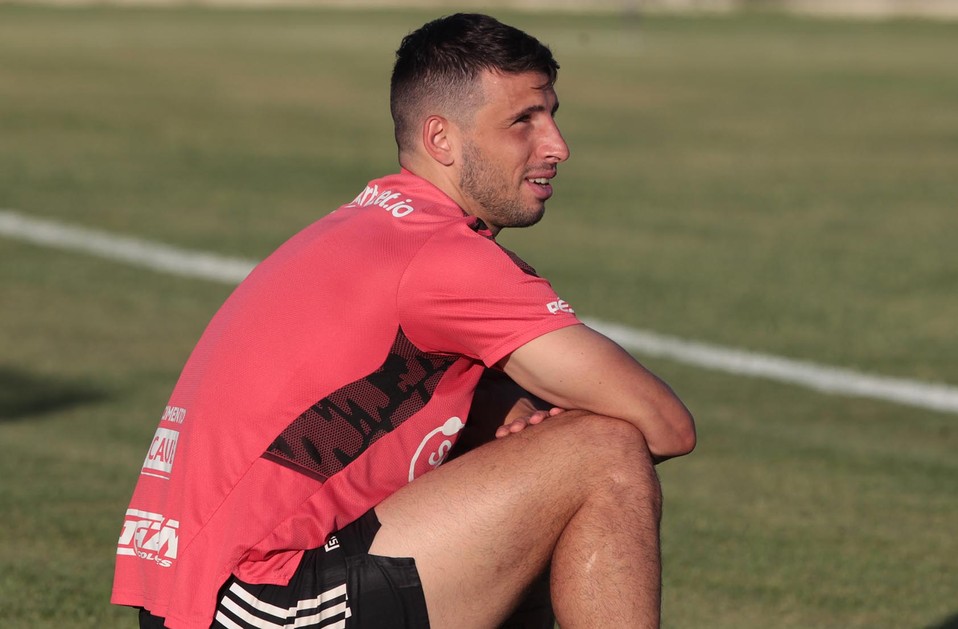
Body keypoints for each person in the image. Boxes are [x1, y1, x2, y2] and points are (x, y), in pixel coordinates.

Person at [112, 12, 695, 629]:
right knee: (601, 449)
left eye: (552, 114)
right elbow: (665, 426)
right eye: (524, 120)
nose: (557, 145)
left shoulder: (374, 225)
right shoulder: (447, 259)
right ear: (441, 139)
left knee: (552, 471)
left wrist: (529, 431)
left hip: (201, 597)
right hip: (256, 603)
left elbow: (465, 413)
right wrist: (558, 441)